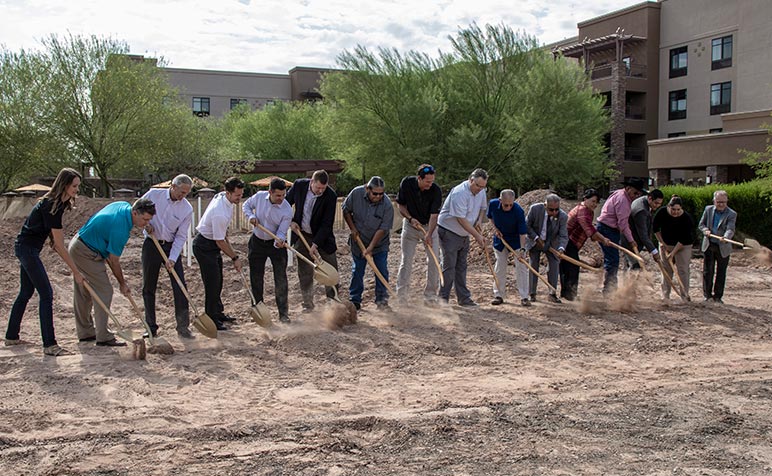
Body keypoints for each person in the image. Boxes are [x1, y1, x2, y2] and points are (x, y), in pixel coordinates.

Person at [5, 168, 85, 356]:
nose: (76, 190)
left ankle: (11, 336)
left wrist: (49, 237)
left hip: (29, 248)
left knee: (26, 292)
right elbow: (59, 245)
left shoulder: (60, 204)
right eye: (74, 186)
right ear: (64, 185)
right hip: (27, 249)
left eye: (78, 186)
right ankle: (50, 345)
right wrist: (76, 271)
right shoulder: (52, 205)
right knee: (46, 294)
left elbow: (52, 235)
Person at [69, 198, 156, 347]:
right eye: (144, 219)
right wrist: (122, 283)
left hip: (78, 244)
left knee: (84, 291)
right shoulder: (120, 230)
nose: (146, 223)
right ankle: (103, 336)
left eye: (149, 220)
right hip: (86, 252)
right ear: (135, 213)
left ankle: (86, 333)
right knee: (104, 290)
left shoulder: (124, 206)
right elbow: (113, 260)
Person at [140, 174, 194, 339]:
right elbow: (137, 210)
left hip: (171, 246)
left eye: (186, 193)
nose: (182, 196)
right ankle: (151, 327)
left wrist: (172, 258)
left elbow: (181, 236)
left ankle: (183, 327)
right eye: (181, 191)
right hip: (152, 244)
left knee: (180, 285)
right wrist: (145, 224)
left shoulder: (187, 209)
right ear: (173, 186)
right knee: (149, 286)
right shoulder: (153, 195)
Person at [192, 177, 245, 330]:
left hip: (213, 242)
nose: (239, 198)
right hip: (204, 246)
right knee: (212, 283)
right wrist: (235, 257)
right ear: (228, 193)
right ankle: (211, 317)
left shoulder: (222, 198)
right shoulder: (219, 212)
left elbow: (222, 236)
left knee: (219, 280)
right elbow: (219, 241)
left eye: (241, 194)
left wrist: (231, 248)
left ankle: (218, 312)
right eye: (237, 195)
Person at [285, 170, 339, 312]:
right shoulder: (298, 186)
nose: (321, 191)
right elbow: (284, 205)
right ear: (312, 182)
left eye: (323, 188)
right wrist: (290, 221)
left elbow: (327, 223)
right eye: (318, 187)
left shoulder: (330, 196)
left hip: (322, 237)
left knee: (331, 268)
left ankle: (333, 303)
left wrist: (315, 244)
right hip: (301, 234)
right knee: (305, 271)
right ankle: (308, 304)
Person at [242, 178, 293, 323]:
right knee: (256, 277)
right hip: (257, 242)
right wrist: (251, 216)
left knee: (281, 278)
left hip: (275, 245)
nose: (281, 198)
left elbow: (282, 232)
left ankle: (283, 314)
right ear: (270, 192)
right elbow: (245, 206)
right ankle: (258, 310)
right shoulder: (258, 197)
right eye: (278, 195)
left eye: (283, 195)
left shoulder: (287, 209)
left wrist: (279, 241)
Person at [437, 168, 488, 307]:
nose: (479, 189)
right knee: (449, 266)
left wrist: (479, 220)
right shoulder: (459, 193)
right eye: (477, 185)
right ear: (470, 180)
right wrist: (477, 236)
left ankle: (464, 298)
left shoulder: (482, 191)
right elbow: (461, 219)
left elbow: (483, 207)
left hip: (465, 232)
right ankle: (442, 300)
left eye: (482, 186)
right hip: (449, 231)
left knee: (461, 266)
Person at [342, 176, 394, 310]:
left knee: (381, 270)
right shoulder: (356, 193)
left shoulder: (387, 205)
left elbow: (383, 229)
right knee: (357, 271)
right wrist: (352, 228)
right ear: (367, 189)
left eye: (381, 194)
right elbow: (346, 210)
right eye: (375, 193)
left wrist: (370, 247)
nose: (378, 196)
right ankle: (355, 300)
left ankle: (382, 301)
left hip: (379, 244)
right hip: (359, 241)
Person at [395, 164, 442, 305]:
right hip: (410, 226)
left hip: (429, 227)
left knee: (434, 260)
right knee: (406, 261)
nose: (430, 184)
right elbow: (401, 205)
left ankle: (430, 296)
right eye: (427, 181)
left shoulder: (436, 191)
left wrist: (429, 234)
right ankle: (401, 296)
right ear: (419, 179)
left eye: (432, 181)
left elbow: (434, 216)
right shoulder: (407, 183)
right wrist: (410, 218)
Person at [596, 177, 647, 292]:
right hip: (607, 229)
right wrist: (631, 240)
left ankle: (610, 287)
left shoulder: (620, 194)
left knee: (612, 259)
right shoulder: (623, 200)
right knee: (613, 260)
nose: (636, 195)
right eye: (635, 192)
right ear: (628, 188)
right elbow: (623, 224)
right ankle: (609, 290)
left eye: (638, 194)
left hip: (607, 228)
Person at [559, 188, 611, 301]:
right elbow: (590, 230)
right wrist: (603, 239)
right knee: (571, 267)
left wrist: (599, 238)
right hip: (567, 241)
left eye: (596, 202)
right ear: (585, 199)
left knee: (567, 267)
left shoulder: (588, 211)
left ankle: (567, 293)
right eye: (593, 201)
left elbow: (590, 232)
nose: (595, 204)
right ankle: (569, 294)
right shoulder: (582, 210)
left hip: (571, 242)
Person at [487, 189, 529, 306]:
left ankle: (524, 297)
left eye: (511, 204)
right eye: (506, 205)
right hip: (500, 240)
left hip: (516, 240)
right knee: (500, 266)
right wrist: (495, 229)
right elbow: (490, 217)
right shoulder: (493, 204)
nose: (509, 207)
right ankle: (498, 295)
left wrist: (522, 249)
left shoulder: (518, 211)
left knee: (521, 267)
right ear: (500, 201)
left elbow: (522, 233)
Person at [525, 194, 568, 303]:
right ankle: (532, 293)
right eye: (551, 209)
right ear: (545, 205)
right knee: (533, 265)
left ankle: (552, 293)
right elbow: (527, 226)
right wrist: (536, 238)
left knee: (554, 265)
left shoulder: (562, 216)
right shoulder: (534, 209)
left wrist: (561, 248)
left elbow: (563, 235)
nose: (554, 212)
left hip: (552, 243)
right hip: (534, 241)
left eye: (556, 209)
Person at [653, 195, 695, 300]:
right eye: (673, 209)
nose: (675, 212)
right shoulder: (662, 213)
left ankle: (684, 295)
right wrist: (662, 243)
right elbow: (655, 229)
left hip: (683, 246)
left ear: (681, 208)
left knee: (682, 270)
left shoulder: (686, 218)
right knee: (666, 270)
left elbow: (684, 238)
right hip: (666, 243)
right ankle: (665, 295)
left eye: (678, 210)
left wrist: (672, 254)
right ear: (668, 206)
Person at [698, 190, 737, 303]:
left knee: (721, 272)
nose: (721, 204)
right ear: (714, 201)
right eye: (719, 202)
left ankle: (718, 297)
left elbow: (730, 228)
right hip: (709, 244)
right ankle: (707, 295)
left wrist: (726, 237)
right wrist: (705, 230)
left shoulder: (731, 214)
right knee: (708, 271)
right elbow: (701, 224)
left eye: (724, 202)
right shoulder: (708, 210)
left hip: (723, 246)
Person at [625, 189, 664, 269]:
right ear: (650, 198)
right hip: (631, 241)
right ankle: (628, 281)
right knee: (635, 266)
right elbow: (643, 234)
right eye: (656, 203)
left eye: (660, 204)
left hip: (634, 240)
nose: (657, 206)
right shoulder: (641, 211)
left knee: (632, 265)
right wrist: (654, 251)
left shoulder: (644, 201)